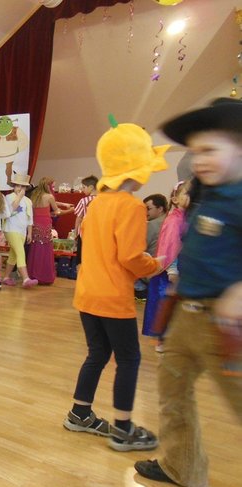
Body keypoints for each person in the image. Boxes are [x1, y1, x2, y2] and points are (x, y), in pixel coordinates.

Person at [134, 98, 242, 487]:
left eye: (210, 150)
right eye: (196, 152)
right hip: (187, 316)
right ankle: (183, 466)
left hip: (226, 325)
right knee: (172, 391)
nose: (201, 161)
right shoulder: (207, 193)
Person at [63, 119, 166, 452]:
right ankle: (122, 429)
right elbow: (131, 257)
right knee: (129, 359)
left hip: (87, 294)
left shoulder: (97, 204)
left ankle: (80, 413)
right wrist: (156, 265)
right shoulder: (132, 205)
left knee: (97, 353)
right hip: (112, 296)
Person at [141, 181, 191, 352]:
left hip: (183, 268)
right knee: (166, 305)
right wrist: (172, 269)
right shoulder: (173, 220)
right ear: (175, 199)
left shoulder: (186, 217)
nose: (191, 197)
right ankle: (162, 341)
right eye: (187, 193)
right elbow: (170, 245)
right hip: (170, 271)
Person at [2, 172, 39, 288]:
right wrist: (19, 197)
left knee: (13, 255)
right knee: (20, 252)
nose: (20, 188)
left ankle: (6, 277)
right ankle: (26, 279)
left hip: (22, 231)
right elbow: (10, 210)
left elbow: (30, 218)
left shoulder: (28, 201)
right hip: (10, 229)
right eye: (18, 185)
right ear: (14, 186)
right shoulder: (9, 197)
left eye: (23, 186)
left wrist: (30, 233)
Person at [26, 177, 64, 285]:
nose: (53, 188)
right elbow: (57, 211)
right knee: (45, 248)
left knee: (35, 248)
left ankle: (33, 274)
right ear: (48, 186)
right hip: (45, 223)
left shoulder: (34, 196)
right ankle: (44, 276)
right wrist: (69, 210)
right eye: (53, 186)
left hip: (35, 223)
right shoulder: (49, 196)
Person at [73, 175, 99, 267]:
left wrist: (75, 234)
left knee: (81, 259)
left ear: (91, 187)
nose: (82, 189)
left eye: (84, 187)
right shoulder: (103, 200)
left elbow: (79, 218)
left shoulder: (83, 201)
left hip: (84, 233)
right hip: (99, 234)